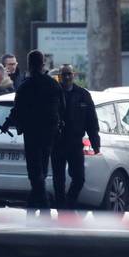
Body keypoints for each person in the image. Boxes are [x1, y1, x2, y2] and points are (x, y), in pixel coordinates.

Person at [1, 50, 64, 215]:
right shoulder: (53, 84)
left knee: (35, 172)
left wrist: (7, 124)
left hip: (32, 134)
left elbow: (17, 110)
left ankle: (43, 208)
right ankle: (33, 207)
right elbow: (61, 108)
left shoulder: (25, 86)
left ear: (29, 65)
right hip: (49, 134)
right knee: (40, 170)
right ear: (43, 64)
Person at [52, 65, 100, 210]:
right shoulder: (54, 94)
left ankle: (69, 204)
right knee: (58, 179)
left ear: (74, 75)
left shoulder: (83, 94)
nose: (66, 77)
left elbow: (92, 120)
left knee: (79, 178)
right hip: (57, 143)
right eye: (63, 74)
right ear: (59, 76)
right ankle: (61, 207)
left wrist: (95, 143)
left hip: (75, 143)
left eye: (69, 74)